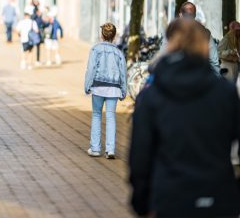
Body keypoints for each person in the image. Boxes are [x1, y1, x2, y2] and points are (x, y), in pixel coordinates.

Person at [129, 18, 240, 218]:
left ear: (169, 44)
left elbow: (140, 156)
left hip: (171, 199)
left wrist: (141, 202)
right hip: (218, 200)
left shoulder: (151, 96)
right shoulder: (226, 93)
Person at [83, 23, 127, 159]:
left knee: (96, 115)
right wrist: (123, 90)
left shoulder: (95, 49)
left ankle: (95, 148)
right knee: (111, 116)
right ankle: (110, 149)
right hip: (113, 88)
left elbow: (90, 69)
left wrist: (87, 85)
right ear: (114, 36)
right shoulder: (119, 52)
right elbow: (123, 73)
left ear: (102, 35)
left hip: (98, 87)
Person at [158, 1, 220, 75]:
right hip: (200, 79)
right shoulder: (205, 33)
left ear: (180, 15)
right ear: (195, 15)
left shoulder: (171, 31)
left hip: (175, 78)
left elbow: (162, 56)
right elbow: (214, 62)